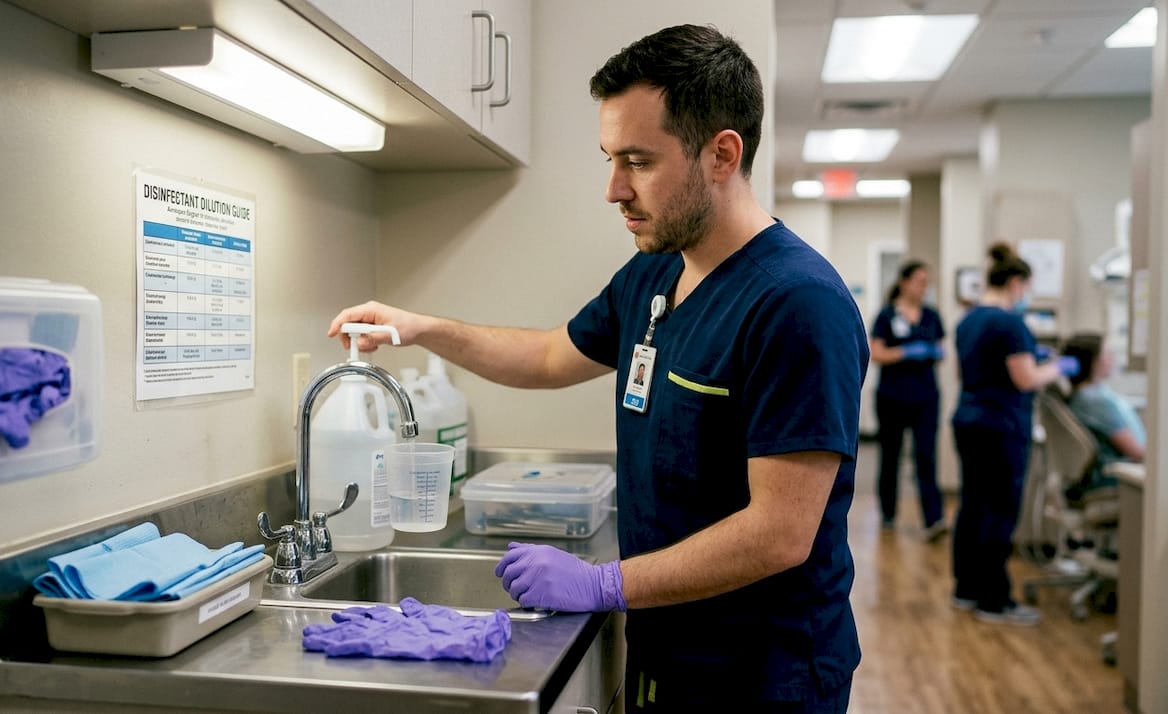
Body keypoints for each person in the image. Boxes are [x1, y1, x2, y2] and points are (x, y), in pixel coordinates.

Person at [328, 24, 867, 711]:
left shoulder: (797, 305)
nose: (614, 188)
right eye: (610, 158)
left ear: (722, 155)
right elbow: (552, 354)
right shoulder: (655, 273)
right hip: (665, 648)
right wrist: (424, 330)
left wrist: (602, 584)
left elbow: (780, 533)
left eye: (638, 160)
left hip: (762, 677)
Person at [949, 243, 1078, 626]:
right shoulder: (1010, 323)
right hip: (1001, 426)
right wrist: (1057, 367)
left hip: (970, 419)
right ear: (1017, 283)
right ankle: (995, 599)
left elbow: (964, 373)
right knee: (1000, 510)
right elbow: (1024, 379)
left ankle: (966, 589)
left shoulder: (969, 320)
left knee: (973, 506)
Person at [868, 260, 947, 540]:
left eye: (927, 282)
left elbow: (940, 348)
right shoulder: (886, 316)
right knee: (891, 456)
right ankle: (888, 514)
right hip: (892, 397)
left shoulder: (931, 316)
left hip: (925, 397)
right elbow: (876, 353)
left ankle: (933, 519)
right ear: (904, 282)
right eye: (919, 281)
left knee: (926, 457)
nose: (924, 288)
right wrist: (906, 352)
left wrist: (935, 352)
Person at [1061, 332, 1146, 491]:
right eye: (1107, 353)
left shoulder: (1083, 395)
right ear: (1092, 361)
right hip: (1111, 482)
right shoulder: (1094, 401)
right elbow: (1135, 451)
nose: (1112, 359)